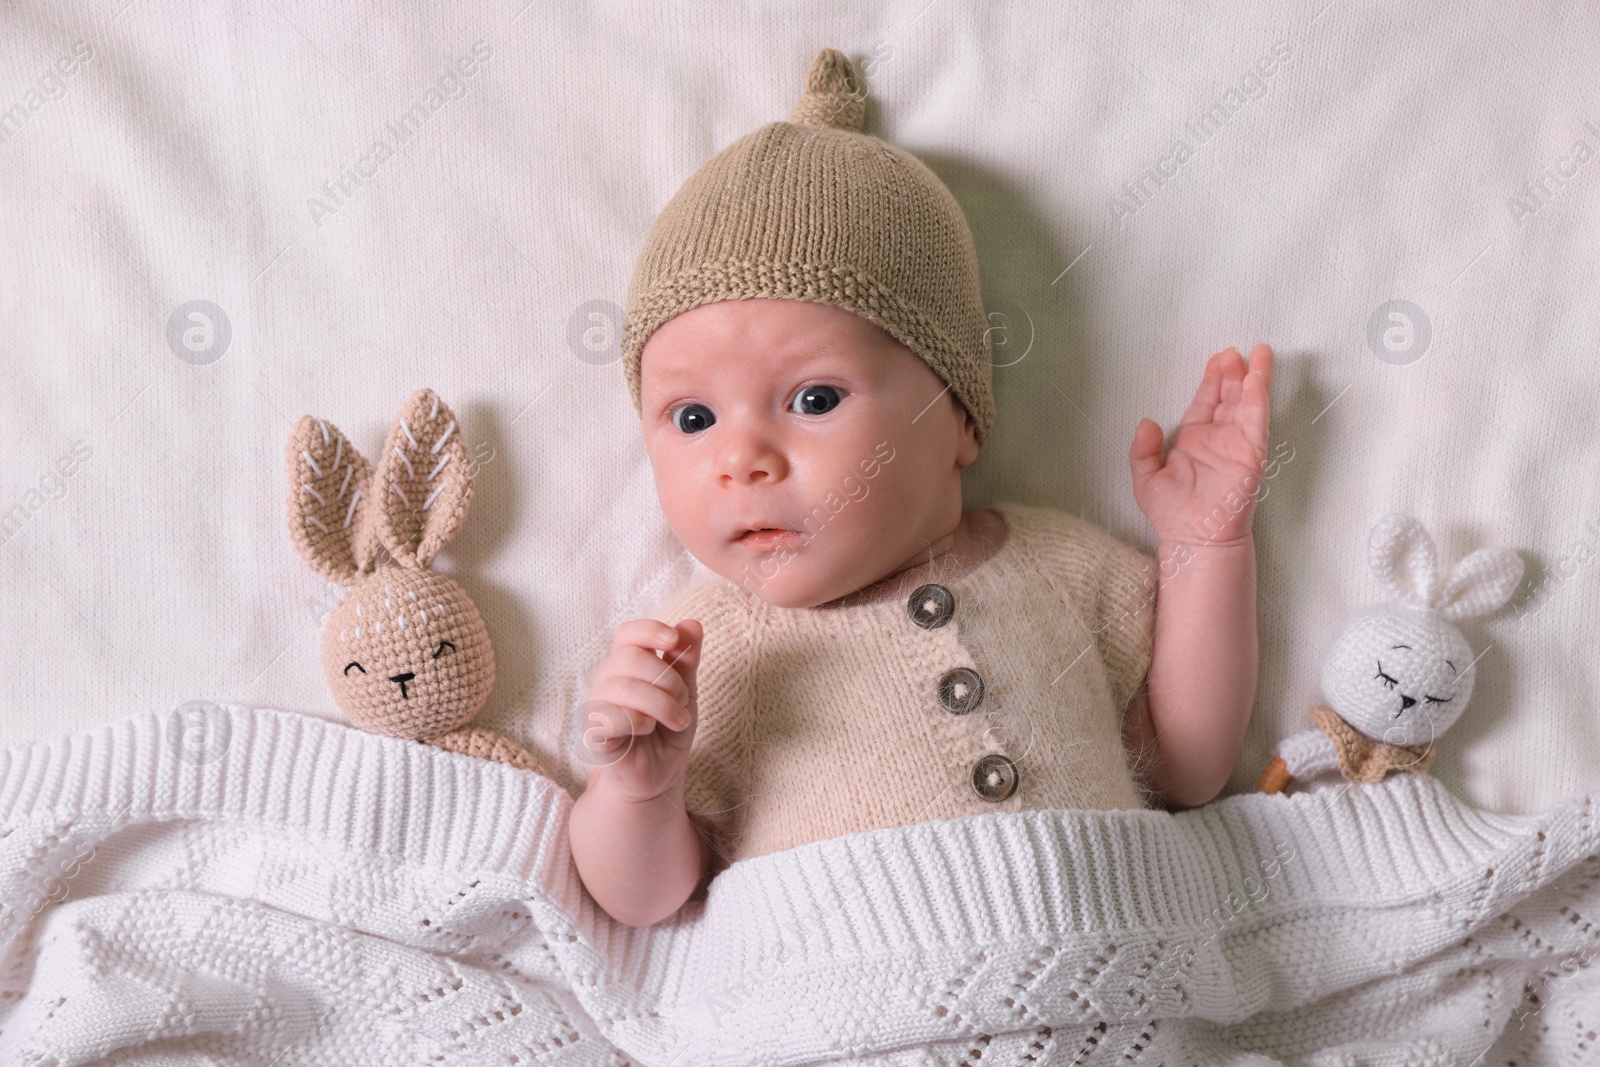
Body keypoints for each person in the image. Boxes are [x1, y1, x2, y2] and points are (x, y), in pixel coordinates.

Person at [568, 48, 1273, 927]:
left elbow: (1188, 764)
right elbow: (645, 901)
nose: (739, 459)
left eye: (814, 399)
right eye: (692, 417)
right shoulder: (705, 652)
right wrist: (639, 787)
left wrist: (1206, 545)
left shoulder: (1059, 567)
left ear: (961, 418)